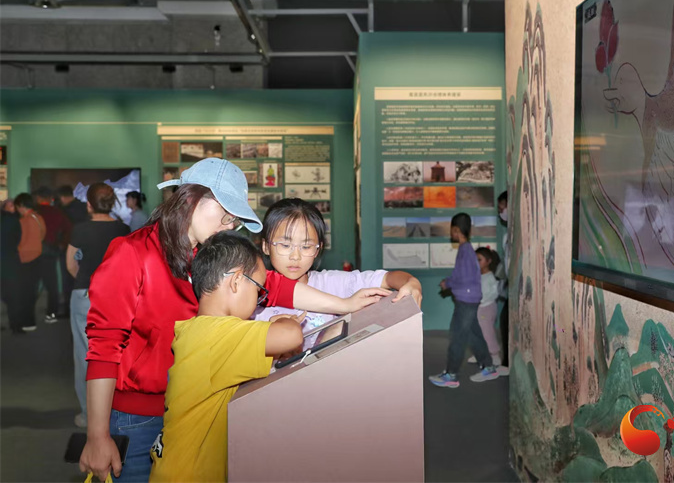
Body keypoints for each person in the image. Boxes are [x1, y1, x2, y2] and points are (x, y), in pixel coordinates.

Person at [80, 159, 386, 483]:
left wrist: (344, 304)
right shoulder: (132, 253)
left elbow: (272, 285)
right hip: (138, 416)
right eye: (226, 214)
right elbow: (104, 347)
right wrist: (97, 435)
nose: (228, 225)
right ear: (191, 198)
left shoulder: (203, 255)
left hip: (194, 408)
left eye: (234, 220)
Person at [149, 231, 304, 483]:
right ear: (236, 281)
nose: (258, 301)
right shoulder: (218, 334)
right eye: (259, 291)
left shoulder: (198, 330)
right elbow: (291, 335)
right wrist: (285, 322)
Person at [253, 198, 423, 342]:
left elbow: (388, 278)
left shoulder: (332, 282)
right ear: (266, 246)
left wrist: (411, 282)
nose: (295, 256)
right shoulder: (252, 292)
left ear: (318, 249)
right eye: (285, 245)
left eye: (306, 247)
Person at [67, 183, 129, 429]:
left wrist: (88, 284)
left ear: (89, 205)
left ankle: (88, 414)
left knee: (85, 355)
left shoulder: (80, 229)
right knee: (116, 354)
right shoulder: (122, 229)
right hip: (116, 297)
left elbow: (71, 264)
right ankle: (113, 411)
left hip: (85, 294)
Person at [429, 213, 499, 388]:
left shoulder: (465, 250)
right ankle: (488, 367)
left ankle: (451, 375)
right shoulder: (466, 249)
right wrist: (449, 281)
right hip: (469, 299)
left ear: (456, 229)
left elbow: (465, 279)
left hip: (466, 300)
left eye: (451, 230)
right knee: (474, 335)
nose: (450, 233)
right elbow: (463, 275)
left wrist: (448, 283)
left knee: (457, 337)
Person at [33, 187, 71, 324]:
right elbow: (68, 229)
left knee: (30, 285)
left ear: (38, 198)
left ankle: (26, 316)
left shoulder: (33, 212)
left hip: (32, 253)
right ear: (50, 199)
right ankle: (51, 314)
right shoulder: (57, 212)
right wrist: (61, 244)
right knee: (52, 286)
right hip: (50, 252)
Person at [13, 193, 46, 332]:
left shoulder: (24, 221)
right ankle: (30, 321)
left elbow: (20, 241)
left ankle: (27, 321)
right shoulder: (38, 217)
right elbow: (42, 235)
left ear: (21, 205)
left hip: (25, 259)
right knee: (31, 292)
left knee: (24, 293)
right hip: (37, 257)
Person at [57, 185, 89, 317]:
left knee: (68, 280)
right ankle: (83, 307)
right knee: (81, 278)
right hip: (84, 248)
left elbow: (62, 230)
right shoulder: (84, 207)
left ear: (62, 197)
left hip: (68, 248)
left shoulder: (62, 211)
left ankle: (68, 309)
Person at [1, 200, 24, 334]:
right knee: (14, 295)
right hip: (10, 261)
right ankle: (15, 325)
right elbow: (18, 239)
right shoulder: (15, 221)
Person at [497, 191, 509, 370]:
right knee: (505, 321)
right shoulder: (507, 236)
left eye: (502, 208)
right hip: (511, 287)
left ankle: (507, 363)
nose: (501, 213)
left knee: (506, 321)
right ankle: (506, 361)